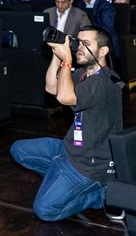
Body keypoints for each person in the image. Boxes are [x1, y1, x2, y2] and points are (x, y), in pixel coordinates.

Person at [10, 26, 123, 221]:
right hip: (69, 150)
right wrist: (58, 55)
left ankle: (99, 195)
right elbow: (51, 87)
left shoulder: (103, 83)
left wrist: (67, 61)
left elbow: (64, 96)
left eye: (86, 44)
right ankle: (60, 180)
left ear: (103, 51)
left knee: (45, 210)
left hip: (88, 165)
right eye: (78, 42)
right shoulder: (83, 74)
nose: (80, 47)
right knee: (19, 150)